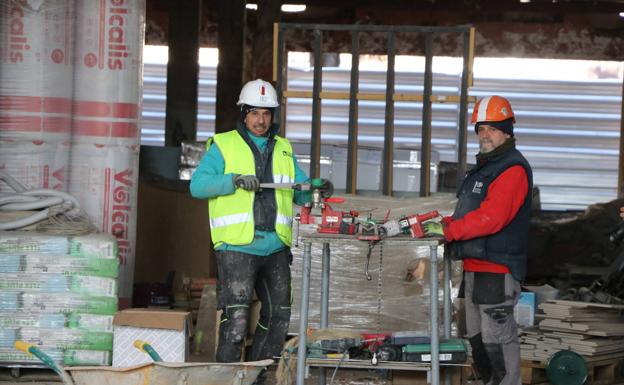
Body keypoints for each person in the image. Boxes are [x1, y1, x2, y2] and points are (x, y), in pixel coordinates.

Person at [190, 79, 332, 379]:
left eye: (267, 113)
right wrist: (233, 180)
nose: (261, 120)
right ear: (244, 114)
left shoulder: (283, 148)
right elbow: (198, 186)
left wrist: (317, 189)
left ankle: (260, 377)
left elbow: (299, 190)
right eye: (255, 113)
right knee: (237, 322)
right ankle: (226, 379)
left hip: (275, 247)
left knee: (278, 317)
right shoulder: (223, 145)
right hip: (237, 248)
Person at [424, 95, 533, 385]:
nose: (484, 134)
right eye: (480, 128)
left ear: (507, 130)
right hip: (476, 268)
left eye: (492, 128)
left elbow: (491, 217)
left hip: (497, 269)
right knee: (478, 340)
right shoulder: (485, 167)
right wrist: (441, 224)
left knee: (497, 340)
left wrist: (448, 232)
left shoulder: (512, 169)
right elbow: (470, 212)